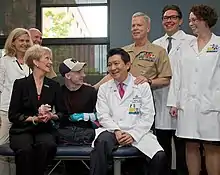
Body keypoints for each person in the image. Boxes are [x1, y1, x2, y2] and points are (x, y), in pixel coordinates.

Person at [90, 48, 169, 175]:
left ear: (127, 65)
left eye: (116, 63)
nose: (113, 68)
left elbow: (148, 115)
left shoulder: (142, 86)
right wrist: (116, 130)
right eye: (109, 65)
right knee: (101, 142)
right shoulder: (104, 88)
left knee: (159, 156)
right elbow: (103, 115)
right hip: (112, 130)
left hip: (137, 131)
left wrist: (133, 134)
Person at [168, 4, 220, 175]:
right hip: (188, 103)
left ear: (205, 20)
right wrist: (174, 103)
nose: (190, 23)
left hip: (212, 103)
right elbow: (177, 76)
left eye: (194, 20)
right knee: (190, 145)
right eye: (189, 20)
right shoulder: (185, 46)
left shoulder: (218, 44)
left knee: (211, 145)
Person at [8, 44, 66, 175]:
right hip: (22, 129)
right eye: (47, 58)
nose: (50, 62)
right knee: (25, 150)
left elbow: (63, 113)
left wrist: (51, 116)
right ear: (35, 62)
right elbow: (13, 115)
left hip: (44, 129)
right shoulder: (20, 84)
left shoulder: (54, 85)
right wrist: (34, 118)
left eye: (50, 59)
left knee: (47, 146)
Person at [152, 5, 194, 174]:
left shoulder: (190, 41)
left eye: (173, 17)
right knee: (163, 151)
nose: (169, 21)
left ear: (180, 20)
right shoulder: (156, 44)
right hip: (160, 101)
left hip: (182, 104)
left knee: (183, 150)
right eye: (165, 18)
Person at [94, 12, 172, 90]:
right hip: (121, 97)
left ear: (148, 28)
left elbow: (166, 80)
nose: (135, 28)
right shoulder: (123, 51)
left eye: (139, 25)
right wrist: (93, 88)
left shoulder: (159, 51)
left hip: (144, 97)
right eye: (133, 26)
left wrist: (149, 81)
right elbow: (112, 75)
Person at [58, 58, 98, 175]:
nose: (83, 75)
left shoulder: (91, 92)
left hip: (87, 134)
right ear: (68, 75)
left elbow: (101, 115)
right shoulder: (58, 92)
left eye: (82, 71)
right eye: (78, 72)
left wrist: (86, 116)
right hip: (64, 135)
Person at [0, 28, 32, 145]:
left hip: (25, 113)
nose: (25, 44)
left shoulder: (32, 62)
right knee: (2, 145)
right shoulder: (4, 62)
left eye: (27, 41)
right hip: (5, 110)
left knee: (22, 146)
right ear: (13, 42)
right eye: (21, 40)